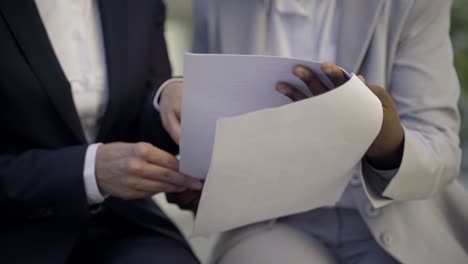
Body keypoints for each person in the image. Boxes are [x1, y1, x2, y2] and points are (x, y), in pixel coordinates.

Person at [160, 0, 468, 263]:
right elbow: (214, 121)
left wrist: (384, 141)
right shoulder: (219, 6)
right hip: (272, 221)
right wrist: (203, 181)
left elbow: (440, 148)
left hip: (401, 219)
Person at [0, 0, 203, 263]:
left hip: (122, 220)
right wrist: (88, 171)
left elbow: (139, 119)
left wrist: (168, 99)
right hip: (14, 228)